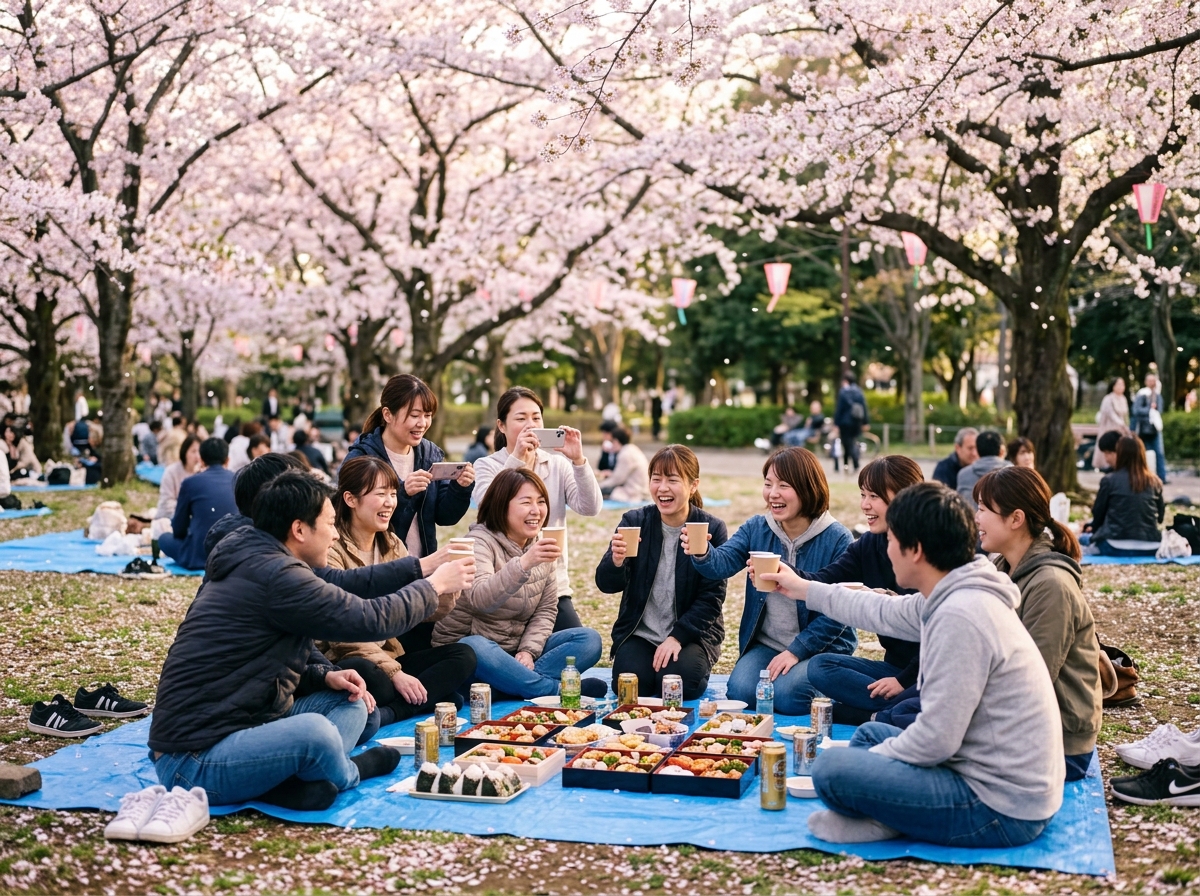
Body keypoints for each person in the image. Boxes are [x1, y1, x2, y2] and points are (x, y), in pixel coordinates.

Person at [759, 482, 1064, 847]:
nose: (886, 550)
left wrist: (870, 770)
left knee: (832, 768)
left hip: (1001, 806)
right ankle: (887, 813)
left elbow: (936, 741)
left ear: (915, 550)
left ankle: (885, 814)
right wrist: (803, 589)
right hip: (976, 766)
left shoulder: (962, 617)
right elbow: (879, 610)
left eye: (891, 540)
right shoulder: (955, 590)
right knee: (869, 735)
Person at [149, 471, 474, 812]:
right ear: (299, 529)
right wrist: (434, 586)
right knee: (316, 732)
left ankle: (287, 781)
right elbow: (369, 618)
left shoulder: (265, 558)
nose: (335, 534)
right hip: (193, 759)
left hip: (250, 721)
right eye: (330, 524)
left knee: (352, 704)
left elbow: (348, 586)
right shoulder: (276, 576)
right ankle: (348, 772)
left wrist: (324, 676)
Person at [685, 447, 854, 714]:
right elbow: (722, 563)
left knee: (789, 697)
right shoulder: (758, 528)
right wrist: (702, 552)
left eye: (783, 485)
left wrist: (797, 651)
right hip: (768, 644)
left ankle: (832, 682)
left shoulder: (838, 539)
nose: (773, 493)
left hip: (820, 648)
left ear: (808, 488)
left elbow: (839, 613)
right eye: (768, 484)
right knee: (741, 692)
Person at [318, 456, 477, 725]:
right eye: (381, 494)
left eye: (393, 494)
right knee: (372, 677)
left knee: (463, 656)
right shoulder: (332, 549)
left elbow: (420, 612)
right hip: (345, 658)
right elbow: (342, 636)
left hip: (390, 653)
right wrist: (395, 674)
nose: (390, 502)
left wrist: (448, 587)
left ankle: (393, 711)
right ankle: (419, 701)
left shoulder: (391, 542)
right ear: (350, 499)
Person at [974, 466, 1102, 781]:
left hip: (1056, 745)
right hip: (1016, 724)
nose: (976, 518)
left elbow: (1032, 680)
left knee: (903, 728)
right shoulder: (1003, 567)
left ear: (1016, 519)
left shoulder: (1051, 585)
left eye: (983, 509)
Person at [433, 468, 606, 699]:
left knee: (589, 640)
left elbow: (545, 610)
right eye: (526, 502)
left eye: (541, 502)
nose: (536, 510)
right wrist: (524, 563)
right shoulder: (478, 543)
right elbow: (481, 599)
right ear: (501, 505)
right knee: (473, 646)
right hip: (473, 656)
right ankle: (554, 689)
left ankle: (514, 683)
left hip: (514, 651)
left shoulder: (540, 545)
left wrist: (528, 651)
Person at [596, 446, 728, 701]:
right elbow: (606, 584)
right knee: (631, 685)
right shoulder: (635, 521)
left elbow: (712, 598)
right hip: (641, 633)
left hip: (691, 635)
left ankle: (689, 661)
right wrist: (615, 561)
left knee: (678, 683)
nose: (662, 488)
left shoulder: (711, 528)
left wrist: (677, 637)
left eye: (672, 480)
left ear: (693, 485)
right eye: (656, 479)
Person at [803, 456, 925, 724]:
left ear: (904, 497)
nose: (864, 504)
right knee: (821, 666)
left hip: (932, 672)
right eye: (862, 495)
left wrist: (903, 681)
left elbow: (942, 637)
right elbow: (825, 579)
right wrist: (784, 574)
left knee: (934, 691)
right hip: (894, 668)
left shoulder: (932, 547)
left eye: (874, 496)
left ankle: (885, 713)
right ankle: (897, 712)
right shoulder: (869, 544)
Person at [472, 386, 602, 633]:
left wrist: (578, 461)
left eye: (536, 417)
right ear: (501, 426)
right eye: (521, 418)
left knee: (583, 640)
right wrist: (517, 459)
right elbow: (488, 510)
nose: (530, 425)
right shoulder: (487, 465)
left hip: (551, 586)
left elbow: (590, 507)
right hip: (504, 583)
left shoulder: (557, 464)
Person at [344, 374, 475, 562]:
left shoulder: (430, 454)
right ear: (388, 414)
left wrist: (460, 487)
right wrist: (402, 493)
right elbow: (352, 518)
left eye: (427, 415)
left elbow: (445, 517)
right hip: (376, 566)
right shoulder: (362, 458)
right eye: (414, 415)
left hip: (423, 565)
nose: (422, 423)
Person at [158, 439, 238, 570]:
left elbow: (179, 528)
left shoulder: (190, 482)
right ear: (227, 460)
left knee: (163, 539)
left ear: (201, 460)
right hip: (234, 555)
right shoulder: (239, 479)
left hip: (199, 555)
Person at [1081, 436, 1165, 556]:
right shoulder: (1155, 481)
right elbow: (1160, 517)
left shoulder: (1109, 480)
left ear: (1120, 454)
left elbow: (1098, 514)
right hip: (1150, 546)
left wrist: (1092, 527)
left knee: (1082, 539)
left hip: (1113, 544)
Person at [153, 435, 201, 533]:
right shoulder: (171, 472)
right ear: (184, 452)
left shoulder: (201, 473)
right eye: (193, 451)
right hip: (169, 519)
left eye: (199, 452)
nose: (197, 456)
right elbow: (167, 502)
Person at [955, 430, 1010, 511]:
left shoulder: (963, 474)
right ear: (1001, 451)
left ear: (977, 451)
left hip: (970, 518)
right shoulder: (1012, 472)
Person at [1132, 372, 1168, 483]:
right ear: (1145, 382)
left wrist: (1154, 411)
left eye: (1153, 380)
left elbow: (1160, 410)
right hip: (1143, 428)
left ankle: (1161, 477)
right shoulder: (1142, 394)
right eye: (1150, 380)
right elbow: (1136, 410)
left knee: (1159, 453)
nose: (1152, 383)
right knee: (1143, 451)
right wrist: (1149, 409)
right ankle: (1143, 476)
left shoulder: (1157, 395)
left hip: (1155, 428)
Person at [599, 427, 650, 502]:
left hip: (635, 492)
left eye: (612, 442)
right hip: (642, 489)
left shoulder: (625, 454)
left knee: (601, 491)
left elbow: (617, 480)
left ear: (616, 441)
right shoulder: (632, 449)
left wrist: (598, 486)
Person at [833, 372, 869, 472]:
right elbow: (864, 407)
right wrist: (865, 422)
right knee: (851, 442)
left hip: (845, 423)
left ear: (845, 381)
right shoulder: (859, 391)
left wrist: (836, 423)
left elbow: (839, 409)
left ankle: (854, 463)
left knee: (847, 444)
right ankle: (847, 464)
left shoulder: (843, 392)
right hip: (856, 422)